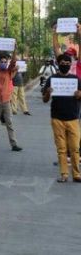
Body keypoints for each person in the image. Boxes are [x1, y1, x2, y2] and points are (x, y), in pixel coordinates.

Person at [42, 53, 81, 182]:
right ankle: (64, 174)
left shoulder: (76, 79)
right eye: (63, 63)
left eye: (68, 63)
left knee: (75, 148)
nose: (65, 65)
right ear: (58, 64)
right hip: (57, 118)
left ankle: (76, 174)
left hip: (73, 118)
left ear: (71, 65)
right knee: (62, 148)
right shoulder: (52, 79)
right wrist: (48, 93)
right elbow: (45, 100)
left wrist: (78, 95)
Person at [0, 50, 23, 152]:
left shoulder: (9, 71)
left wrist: (15, 49)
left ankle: (14, 144)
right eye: (2, 62)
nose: (3, 63)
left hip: (6, 101)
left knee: (9, 123)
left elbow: (13, 61)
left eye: (5, 62)